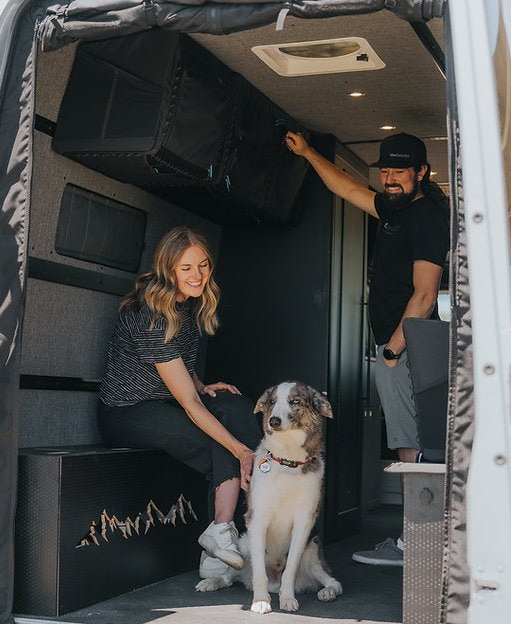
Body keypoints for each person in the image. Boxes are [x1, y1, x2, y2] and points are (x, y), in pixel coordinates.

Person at [285, 131, 449, 566]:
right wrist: (308, 154)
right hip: (402, 344)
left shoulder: (428, 216)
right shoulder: (395, 209)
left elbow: (426, 295)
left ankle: (418, 539)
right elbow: (347, 187)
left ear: (421, 173)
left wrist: (392, 352)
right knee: (409, 440)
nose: (391, 178)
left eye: (400, 171)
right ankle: (419, 535)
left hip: (409, 344)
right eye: (387, 171)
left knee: (410, 441)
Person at [98, 225, 262, 577]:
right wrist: (241, 451)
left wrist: (203, 385)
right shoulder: (151, 312)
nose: (198, 275)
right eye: (186, 268)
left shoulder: (186, 305)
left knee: (234, 407)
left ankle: (223, 541)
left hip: (165, 401)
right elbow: (189, 404)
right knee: (218, 438)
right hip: (127, 412)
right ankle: (220, 534)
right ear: (168, 268)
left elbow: (180, 372)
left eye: (203, 265)